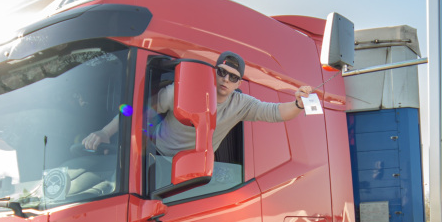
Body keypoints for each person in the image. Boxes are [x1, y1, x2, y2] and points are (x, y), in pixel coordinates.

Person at [83, 51, 313, 155]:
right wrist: (105, 132)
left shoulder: (241, 103)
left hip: (195, 170)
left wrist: (299, 104)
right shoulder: (181, 92)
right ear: (214, 71)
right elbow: (138, 110)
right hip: (156, 156)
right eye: (222, 72)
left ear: (238, 83)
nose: (225, 80)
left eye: (233, 77)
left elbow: (276, 112)